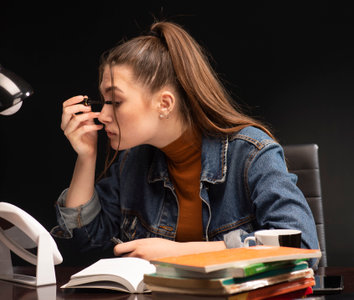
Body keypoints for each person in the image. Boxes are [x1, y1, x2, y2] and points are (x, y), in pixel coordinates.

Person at [52, 21, 319, 267]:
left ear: (165, 104)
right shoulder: (132, 161)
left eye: (116, 102)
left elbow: (302, 250)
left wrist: (179, 252)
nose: (103, 114)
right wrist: (86, 156)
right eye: (104, 101)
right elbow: (83, 241)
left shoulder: (252, 154)